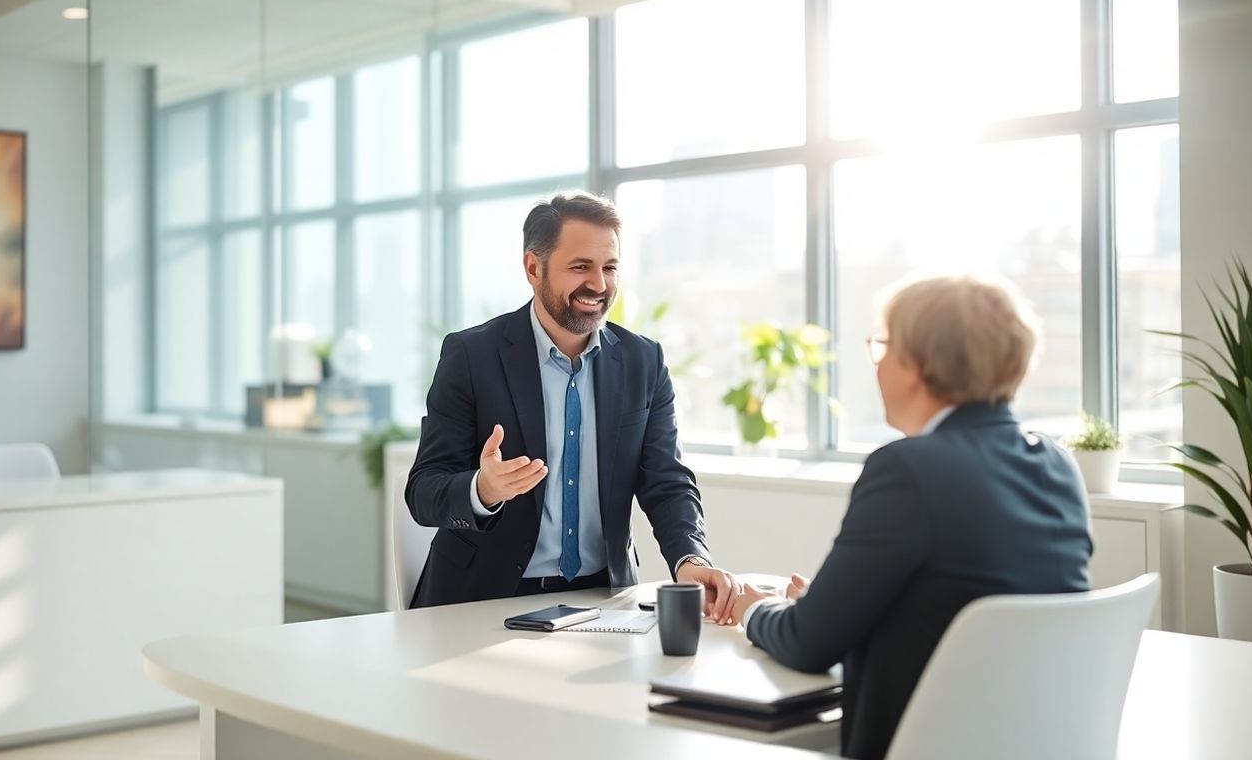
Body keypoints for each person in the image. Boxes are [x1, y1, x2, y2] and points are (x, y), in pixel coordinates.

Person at [727, 274, 1093, 760]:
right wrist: (831, 605)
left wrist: (752, 609)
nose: (877, 366)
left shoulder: (907, 469)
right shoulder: (1056, 463)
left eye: (883, 347)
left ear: (917, 364)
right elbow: (957, 603)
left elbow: (808, 644)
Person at [406, 191, 737, 619]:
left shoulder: (643, 361)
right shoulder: (472, 356)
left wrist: (690, 559)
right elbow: (424, 490)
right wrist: (484, 489)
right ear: (533, 268)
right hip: (484, 598)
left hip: (603, 600)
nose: (598, 284)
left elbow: (667, 481)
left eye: (609, 267)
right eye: (581, 267)